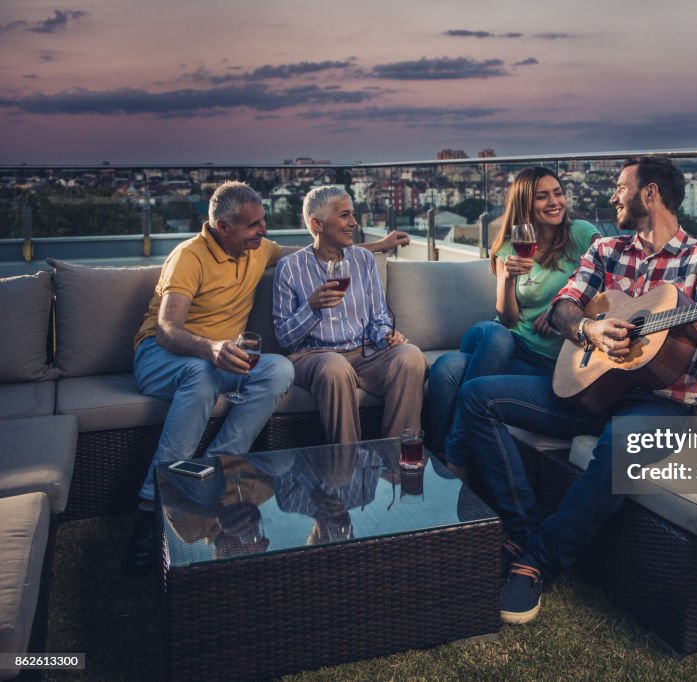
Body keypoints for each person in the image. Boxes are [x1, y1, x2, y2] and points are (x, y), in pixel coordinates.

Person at [457, 157, 697, 624]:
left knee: (619, 446)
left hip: (660, 406)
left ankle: (536, 559)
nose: (612, 196)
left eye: (620, 187)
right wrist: (589, 331)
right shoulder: (607, 250)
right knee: (477, 397)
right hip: (592, 390)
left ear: (650, 193)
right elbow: (563, 308)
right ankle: (523, 523)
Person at [124, 181, 409, 574]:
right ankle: (148, 504)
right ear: (223, 227)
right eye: (254, 225)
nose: (264, 232)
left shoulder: (257, 249)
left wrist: (374, 248)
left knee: (279, 368)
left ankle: (215, 470)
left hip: (223, 357)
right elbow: (166, 329)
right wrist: (210, 349)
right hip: (165, 356)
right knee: (202, 375)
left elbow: (312, 250)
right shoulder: (188, 258)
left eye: (263, 224)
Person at [426, 167, 599, 479]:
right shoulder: (511, 243)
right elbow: (507, 318)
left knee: (448, 368)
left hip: (538, 361)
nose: (554, 202)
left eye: (558, 193)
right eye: (542, 197)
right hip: (498, 339)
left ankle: (440, 458)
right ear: (525, 204)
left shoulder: (582, 234)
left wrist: (567, 308)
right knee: (498, 337)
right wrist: (506, 278)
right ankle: (457, 456)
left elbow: (615, 276)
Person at [273, 186, 428, 445]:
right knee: (336, 368)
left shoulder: (363, 259)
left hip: (364, 352)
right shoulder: (289, 268)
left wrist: (387, 335)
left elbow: (378, 316)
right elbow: (284, 340)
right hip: (314, 357)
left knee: (411, 357)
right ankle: (347, 467)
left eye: (352, 214)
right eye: (345, 215)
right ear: (317, 223)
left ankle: (396, 459)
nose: (354, 223)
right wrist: (311, 308)